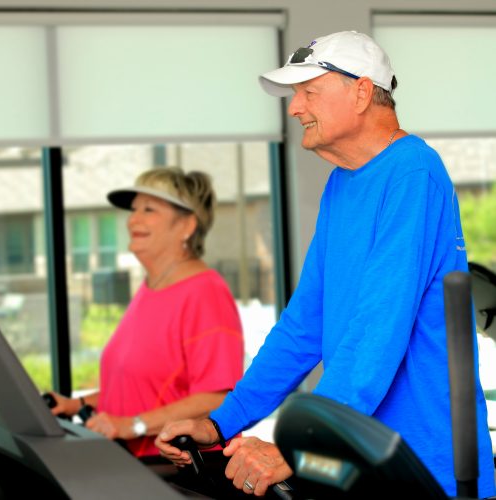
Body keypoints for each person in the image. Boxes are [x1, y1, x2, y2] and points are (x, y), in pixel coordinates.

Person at [154, 30, 495, 498]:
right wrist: (221, 421)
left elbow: (378, 328)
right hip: (359, 460)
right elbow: (304, 325)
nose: (295, 108)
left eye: (308, 91)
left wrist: (297, 447)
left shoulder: (413, 172)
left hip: (424, 466)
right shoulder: (343, 184)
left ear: (360, 92)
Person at [49, 166, 244, 459]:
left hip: (180, 469)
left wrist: (134, 425)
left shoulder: (205, 292)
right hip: (133, 461)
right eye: (134, 209)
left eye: (149, 209)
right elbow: (142, 388)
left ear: (187, 225)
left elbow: (217, 396)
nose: (133, 220)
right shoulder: (151, 289)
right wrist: (74, 405)